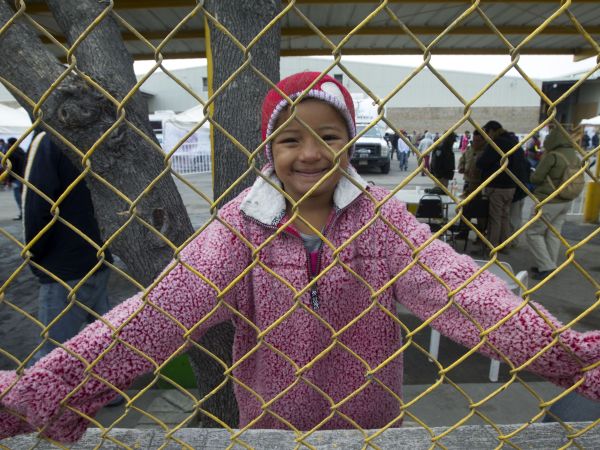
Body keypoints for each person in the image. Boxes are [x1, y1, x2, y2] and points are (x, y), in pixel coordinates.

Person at [1, 72, 598, 443]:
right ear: (269, 148)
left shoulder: (382, 221)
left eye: (329, 137)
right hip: (269, 430)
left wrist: (570, 358)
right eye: (290, 139)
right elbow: (159, 315)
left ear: (350, 143)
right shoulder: (239, 229)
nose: (310, 154)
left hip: (369, 428)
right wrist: (49, 387)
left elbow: (466, 294)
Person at [22, 131, 113, 362]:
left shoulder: (48, 139)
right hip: (97, 257)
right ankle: (110, 383)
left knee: (52, 357)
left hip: (63, 268)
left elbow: (36, 206)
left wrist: (35, 256)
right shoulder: (93, 135)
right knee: (107, 344)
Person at [526, 127, 579, 280]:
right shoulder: (574, 155)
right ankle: (550, 265)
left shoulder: (552, 155)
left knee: (533, 232)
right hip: (566, 200)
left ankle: (546, 266)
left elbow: (536, 178)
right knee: (553, 234)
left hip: (549, 200)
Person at [476, 121, 519, 249]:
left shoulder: (496, 143)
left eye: (487, 132)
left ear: (492, 131)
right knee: (505, 216)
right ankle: (505, 244)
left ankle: (492, 245)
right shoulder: (512, 141)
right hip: (510, 185)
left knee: (495, 218)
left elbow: (482, 162)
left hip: (497, 185)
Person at [4, 137, 27, 220]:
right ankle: (24, 212)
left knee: (18, 196)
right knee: (23, 196)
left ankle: (22, 213)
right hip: (24, 176)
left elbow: (11, 168)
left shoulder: (11, 153)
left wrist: (9, 180)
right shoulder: (21, 151)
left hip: (16, 177)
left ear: (10, 144)